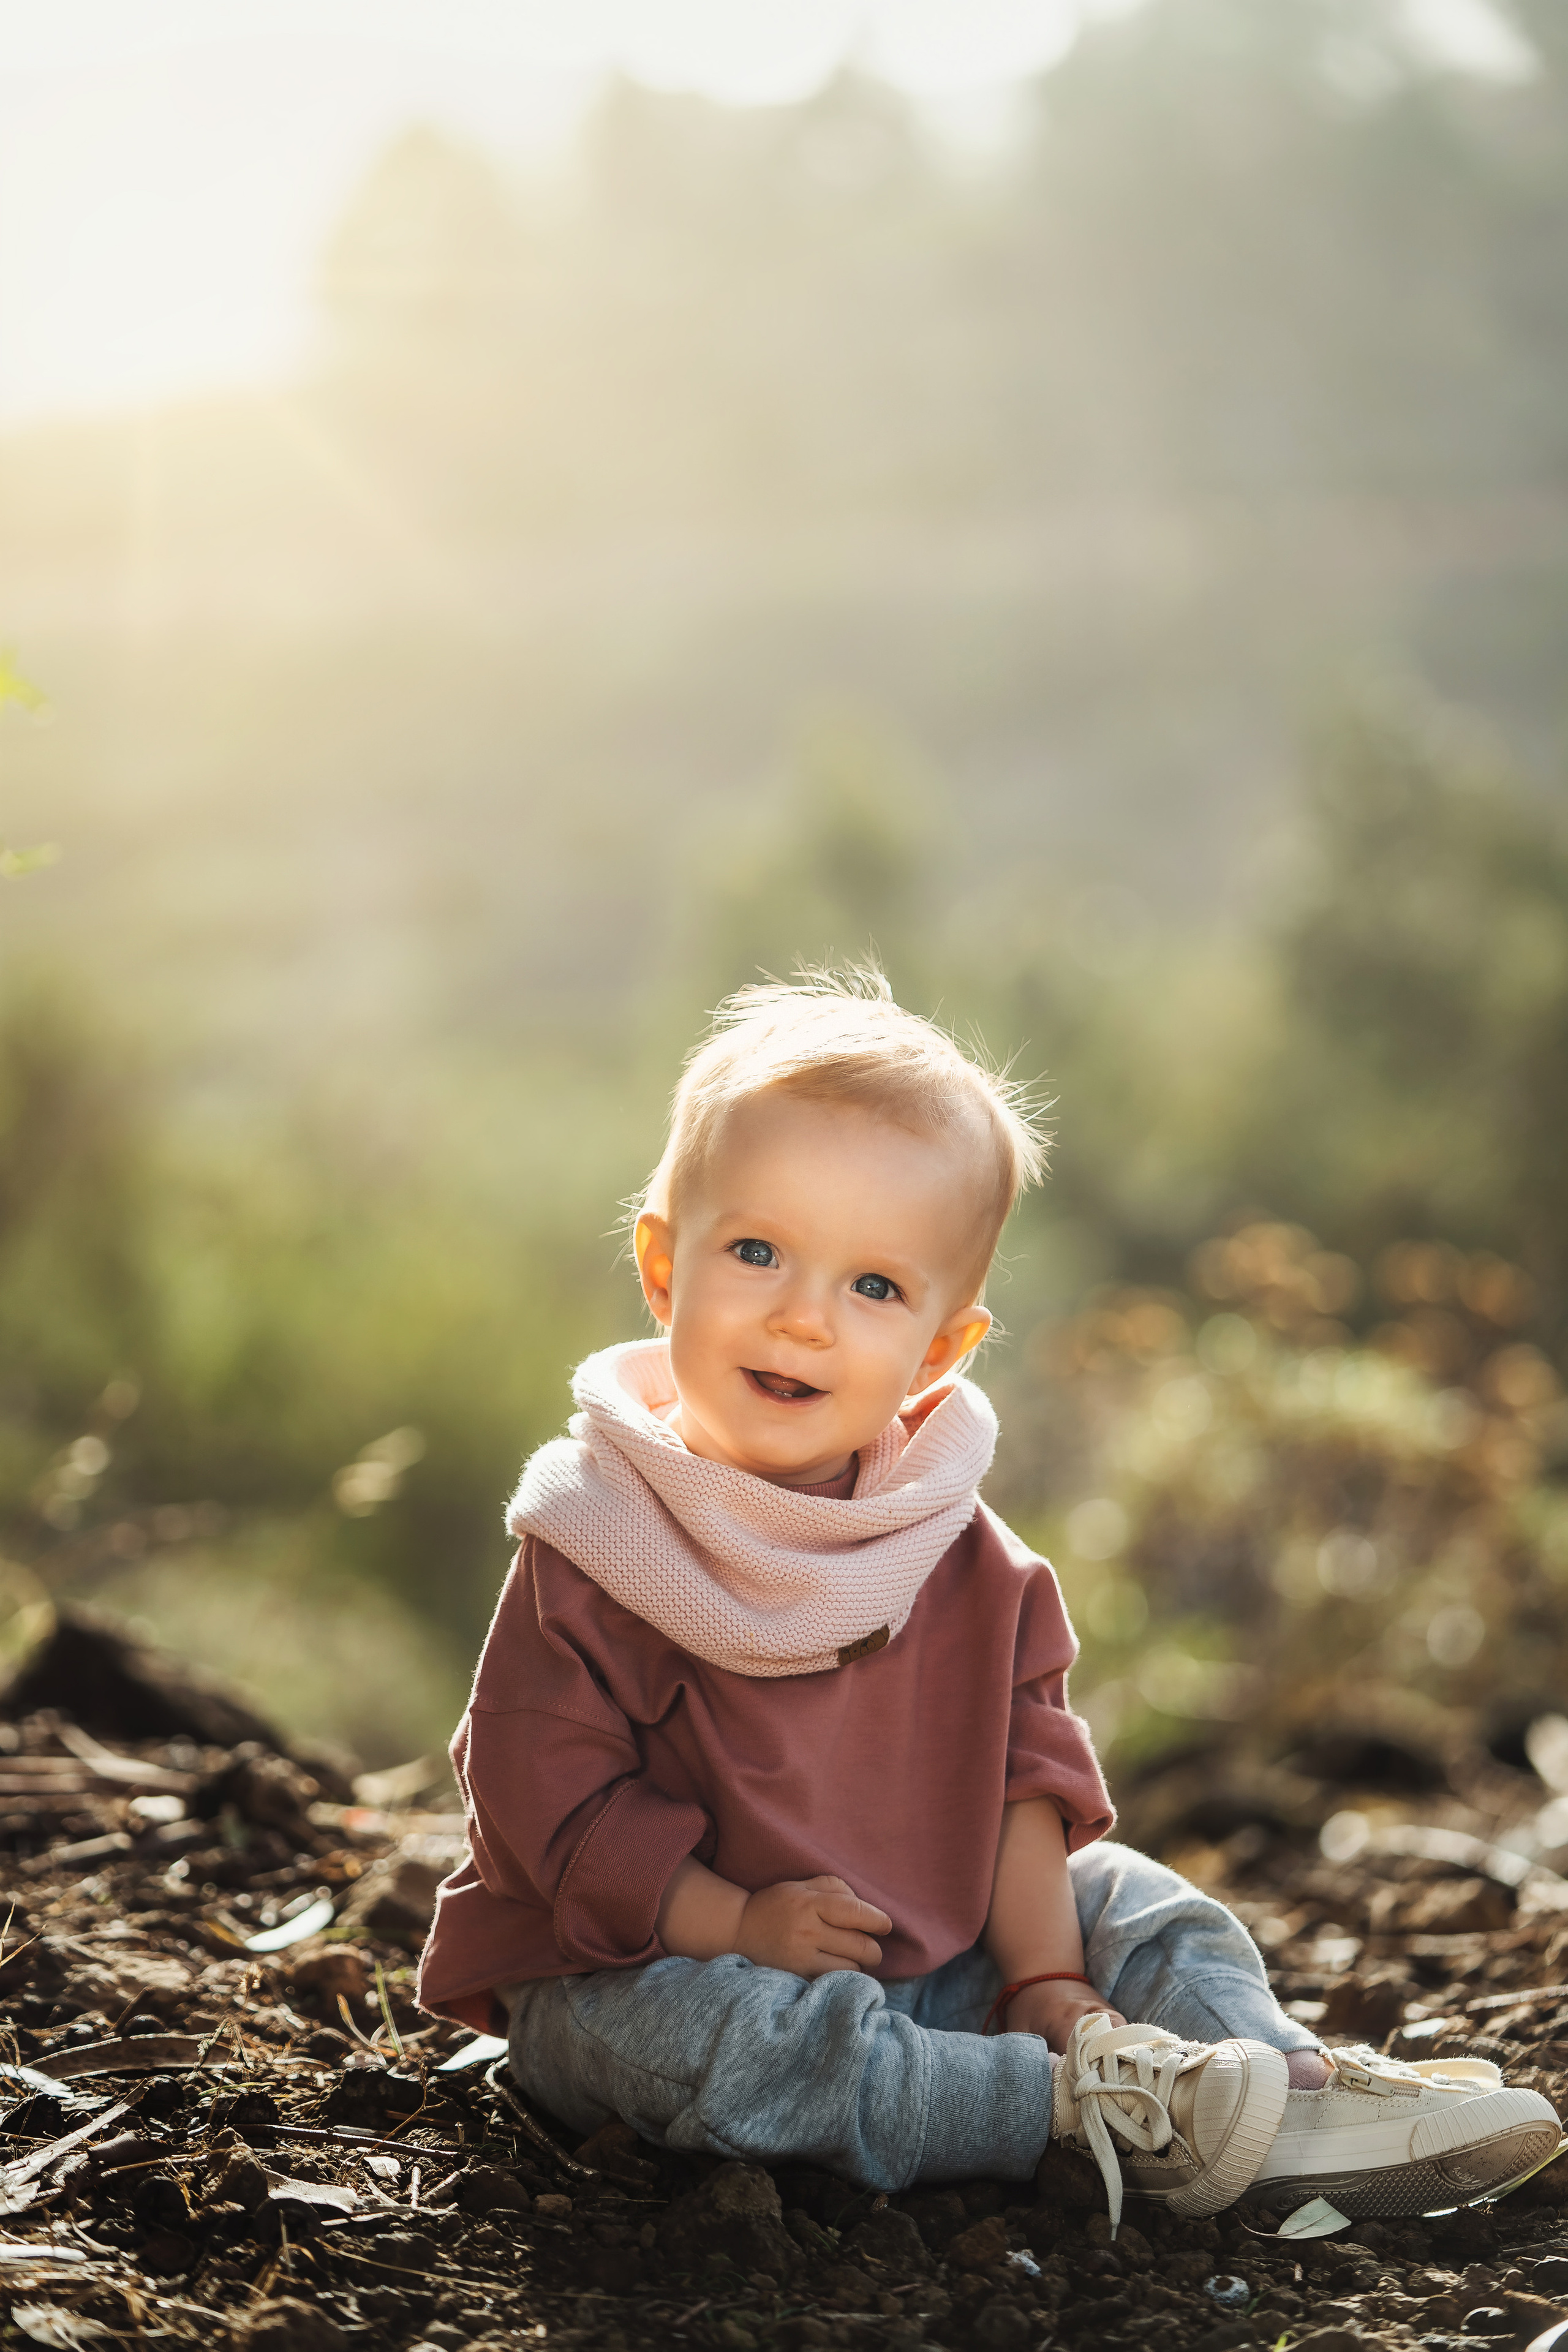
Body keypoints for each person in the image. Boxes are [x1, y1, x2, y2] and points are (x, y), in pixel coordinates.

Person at [418, 970, 1559, 2227]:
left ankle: (1284, 2090)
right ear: (659, 1265)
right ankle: (1082, 2112)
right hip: (643, 1963)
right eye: (755, 1252)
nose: (802, 1319)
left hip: (931, 1947)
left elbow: (1016, 1781)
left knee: (1135, 1899)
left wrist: (1045, 1979)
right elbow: (556, 1817)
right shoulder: (597, 1537)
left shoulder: (953, 1550)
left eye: (872, 1288)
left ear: (939, 1349)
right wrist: (735, 1918)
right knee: (718, 2046)